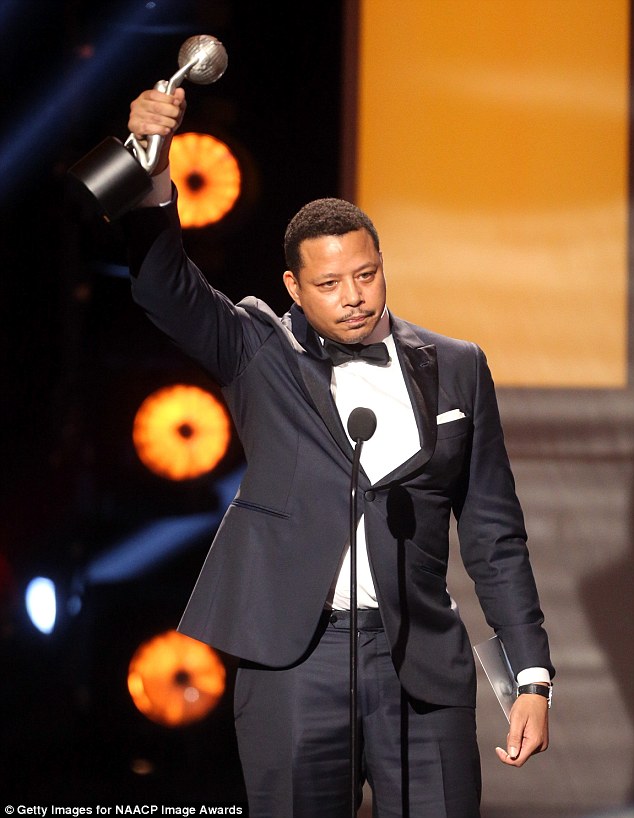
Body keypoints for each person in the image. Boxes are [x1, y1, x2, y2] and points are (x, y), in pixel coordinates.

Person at [124, 87, 554, 818]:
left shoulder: (455, 366)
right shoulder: (260, 349)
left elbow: (493, 534)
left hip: (419, 659)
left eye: (366, 275)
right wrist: (153, 164)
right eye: (329, 284)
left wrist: (532, 679)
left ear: (383, 264)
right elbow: (165, 289)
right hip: (295, 659)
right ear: (294, 287)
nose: (354, 296)